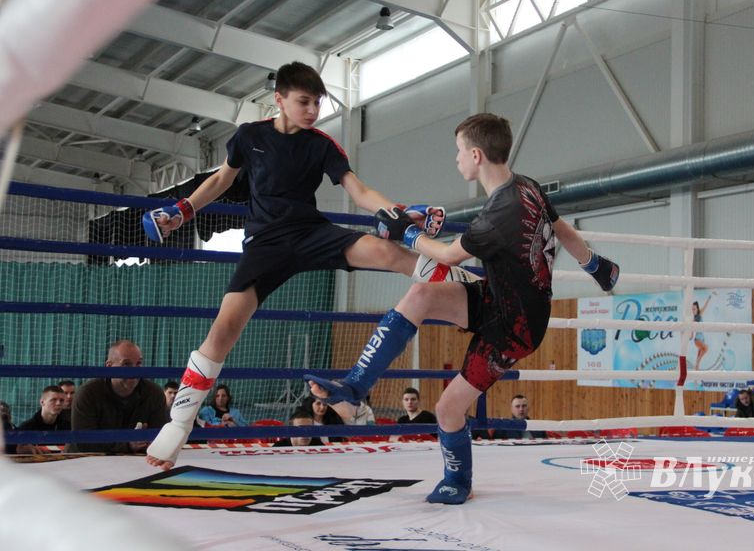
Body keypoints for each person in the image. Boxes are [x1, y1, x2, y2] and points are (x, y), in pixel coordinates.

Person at [145, 62, 476, 471]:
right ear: (279, 99)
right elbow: (221, 181)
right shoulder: (250, 137)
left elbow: (359, 191)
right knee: (224, 328)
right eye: (304, 102)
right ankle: (178, 423)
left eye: (317, 103)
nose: (312, 111)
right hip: (264, 245)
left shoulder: (322, 145)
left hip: (310, 232)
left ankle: (468, 285)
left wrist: (398, 211)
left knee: (384, 250)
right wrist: (184, 210)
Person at [307, 113, 619, 504]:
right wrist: (595, 265)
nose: (455, 159)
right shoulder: (527, 188)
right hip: (498, 297)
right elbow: (563, 230)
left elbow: (447, 255)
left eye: (458, 152)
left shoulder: (498, 215)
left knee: (447, 408)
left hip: (514, 327)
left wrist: (407, 231)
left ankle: (459, 479)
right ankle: (354, 389)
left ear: (476, 155)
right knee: (421, 294)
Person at [68, 340, 167, 454]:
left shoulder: (154, 393)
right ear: (109, 367)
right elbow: (84, 443)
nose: (135, 370)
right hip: (84, 461)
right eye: (126, 364)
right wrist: (127, 444)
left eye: (139, 363)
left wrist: (149, 440)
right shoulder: (87, 393)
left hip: (135, 462)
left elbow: (160, 437)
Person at [15, 385, 71, 454]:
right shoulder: (26, 428)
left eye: (61, 400)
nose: (58, 403)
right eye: (53, 400)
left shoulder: (68, 427)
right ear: (42, 402)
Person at [691, 293, 714, 369]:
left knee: (699, 358)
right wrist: (691, 336)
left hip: (702, 339)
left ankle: (696, 370)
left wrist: (710, 297)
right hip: (697, 340)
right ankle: (697, 362)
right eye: (692, 309)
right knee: (706, 348)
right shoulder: (693, 319)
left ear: (697, 308)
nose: (693, 311)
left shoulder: (700, 314)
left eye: (694, 309)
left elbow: (705, 305)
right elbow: (692, 330)